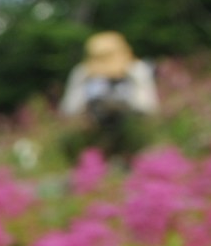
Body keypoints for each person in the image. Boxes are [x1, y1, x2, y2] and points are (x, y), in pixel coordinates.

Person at [60, 31, 158, 164]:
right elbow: (69, 109)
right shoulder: (82, 73)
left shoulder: (136, 70)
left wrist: (124, 101)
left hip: (131, 134)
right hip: (91, 134)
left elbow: (148, 107)